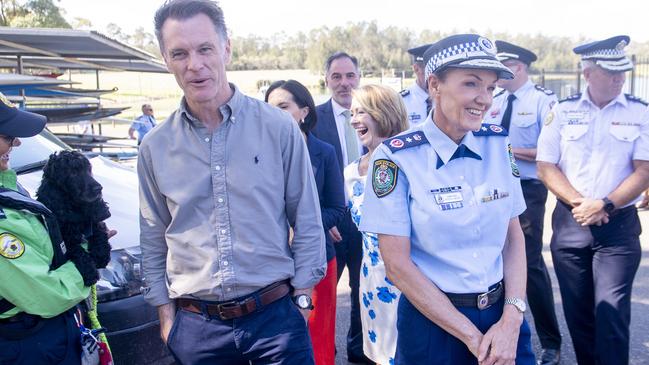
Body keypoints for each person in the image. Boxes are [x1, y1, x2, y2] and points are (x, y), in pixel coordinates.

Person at [139, 1, 326, 364]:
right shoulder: (155, 146)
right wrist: (166, 319)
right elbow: (152, 237)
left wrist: (302, 300)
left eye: (205, 48)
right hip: (196, 331)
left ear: (226, 47)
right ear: (165, 59)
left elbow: (306, 218)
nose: (195, 65)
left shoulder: (278, 127)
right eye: (180, 53)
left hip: (276, 324)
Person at [359, 34, 536, 365]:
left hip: (501, 318)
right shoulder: (396, 157)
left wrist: (512, 318)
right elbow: (397, 265)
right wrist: (472, 338)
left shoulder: (498, 144)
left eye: (490, 87)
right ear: (435, 85)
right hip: (432, 325)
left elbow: (513, 238)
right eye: (471, 84)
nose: (484, 99)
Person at [537, 35, 649, 365]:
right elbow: (546, 165)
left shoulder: (641, 113)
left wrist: (606, 204)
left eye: (622, 73)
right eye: (610, 72)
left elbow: (644, 170)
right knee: (579, 315)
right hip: (571, 225)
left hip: (617, 228)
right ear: (588, 73)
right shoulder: (562, 110)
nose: (618, 78)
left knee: (611, 312)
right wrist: (581, 204)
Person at [483, 40, 561, 365]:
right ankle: (499, 330)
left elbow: (549, 151)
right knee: (492, 258)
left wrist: (507, 151)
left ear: (519, 67)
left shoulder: (544, 100)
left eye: (505, 66)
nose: (499, 74)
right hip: (488, 185)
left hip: (527, 187)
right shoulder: (495, 100)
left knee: (527, 261)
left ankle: (551, 342)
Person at [0, 92, 91, 364]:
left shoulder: (8, 184)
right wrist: (86, 261)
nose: (17, 142)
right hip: (25, 343)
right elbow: (49, 295)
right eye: (7, 136)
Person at [265, 79, 346, 365]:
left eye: (283, 106)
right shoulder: (258, 155)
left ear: (304, 111)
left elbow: (337, 208)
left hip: (317, 261)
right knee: (279, 344)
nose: (275, 113)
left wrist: (298, 226)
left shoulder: (323, 152)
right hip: (270, 267)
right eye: (270, 107)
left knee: (318, 337)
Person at [312, 51, 371, 363]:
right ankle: (323, 353)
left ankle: (359, 352)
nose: (344, 83)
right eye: (337, 76)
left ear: (358, 78)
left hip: (368, 223)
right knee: (324, 298)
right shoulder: (314, 120)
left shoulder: (375, 115)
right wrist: (327, 215)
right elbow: (307, 176)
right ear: (327, 80)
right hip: (331, 224)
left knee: (364, 292)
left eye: (349, 76)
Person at [346, 84, 409, 365]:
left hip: (409, 282)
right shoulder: (350, 173)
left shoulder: (410, 160)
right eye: (351, 113)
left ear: (382, 113)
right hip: (371, 282)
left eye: (361, 111)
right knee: (378, 356)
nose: (354, 119)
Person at [400, 44, 432, 126]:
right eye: (429, 71)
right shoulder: (401, 101)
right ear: (416, 69)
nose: (434, 77)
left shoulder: (445, 99)